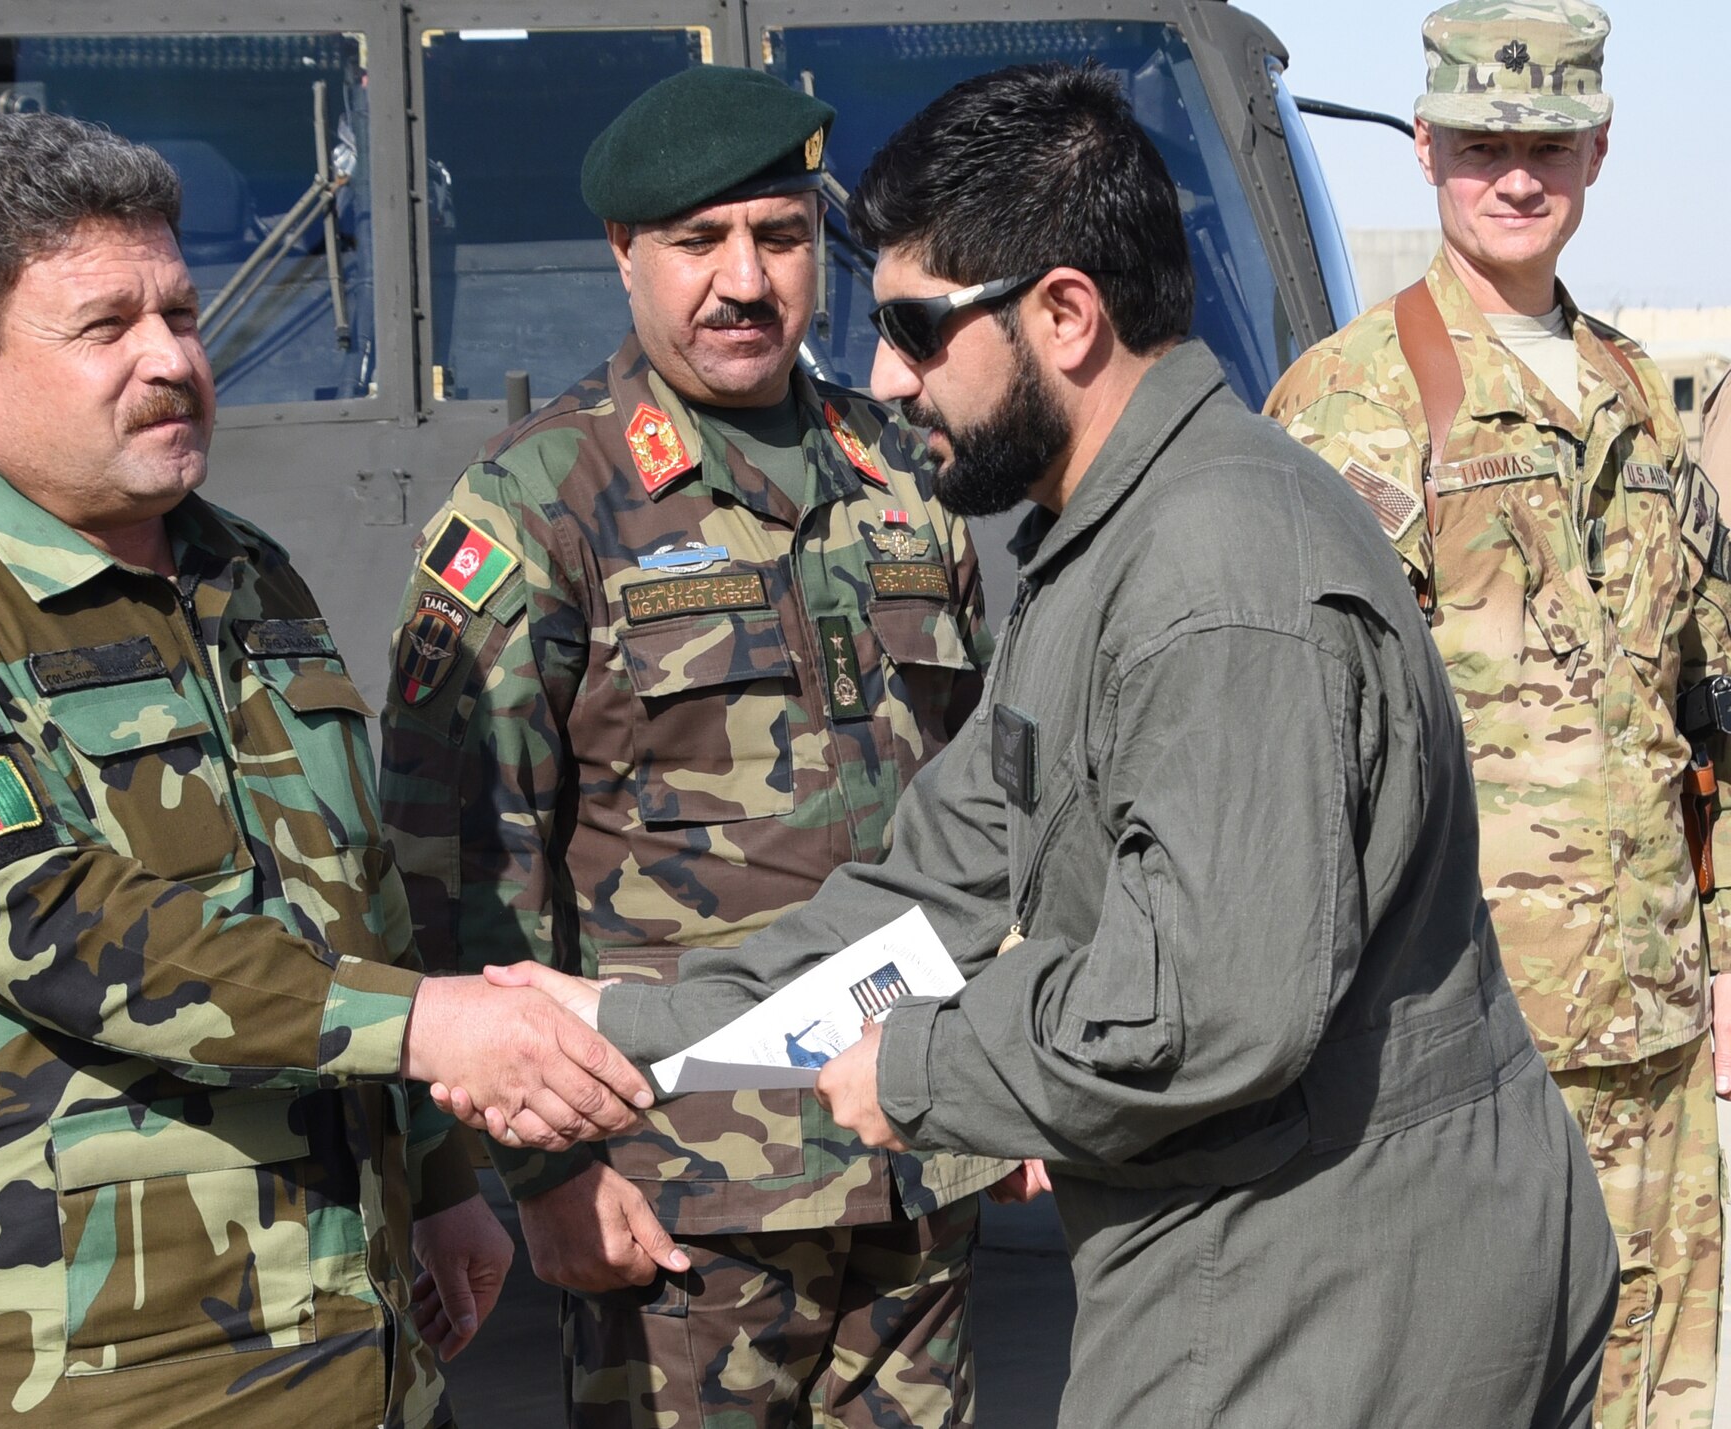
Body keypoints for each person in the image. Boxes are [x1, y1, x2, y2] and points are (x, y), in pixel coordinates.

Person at [461, 61, 1622, 1425]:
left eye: (912, 326)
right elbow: (934, 884)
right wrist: (633, 1021)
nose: (884, 373)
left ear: (1064, 314)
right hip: (1238, 1244)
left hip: (1340, 1277)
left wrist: (923, 1067)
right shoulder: (1107, 544)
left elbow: (1204, 1006)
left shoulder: (1218, 574)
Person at [0, 113, 654, 1428]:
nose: (172, 359)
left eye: (180, 310)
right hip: (64, 1377)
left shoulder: (244, 572)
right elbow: (55, 920)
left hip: (347, 1341)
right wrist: (438, 1026)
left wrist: (443, 1173)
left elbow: (354, 888)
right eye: (107, 327)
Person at [380, 64, 1008, 1429]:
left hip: (914, 1149)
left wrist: (1006, 1067)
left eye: (779, 238)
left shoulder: (906, 478)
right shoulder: (541, 504)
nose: (744, 280)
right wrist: (541, 1174)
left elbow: (991, 806)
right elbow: (453, 876)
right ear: (623, 257)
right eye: (698, 242)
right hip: (678, 1194)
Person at [1266, 4, 1730, 1420]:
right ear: (1424, 149)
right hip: (1462, 1047)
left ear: (1597, 147)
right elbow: (1299, 752)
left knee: (1659, 1398)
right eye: (1481, 144)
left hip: (1655, 1045)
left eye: (1543, 145)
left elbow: (1705, 721)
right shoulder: (1349, 402)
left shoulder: (1646, 405)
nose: (1514, 176)